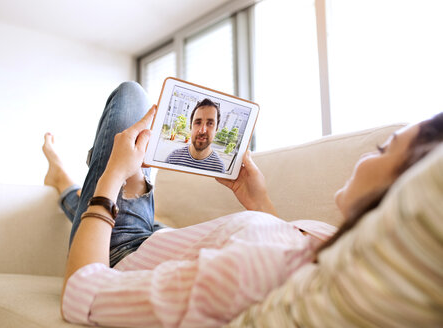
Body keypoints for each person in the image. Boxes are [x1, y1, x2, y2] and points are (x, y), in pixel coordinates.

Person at [44, 82, 443, 327]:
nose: (367, 157)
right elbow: (286, 253)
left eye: (383, 149)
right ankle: (67, 183)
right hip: (162, 239)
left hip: (122, 251)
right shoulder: (332, 250)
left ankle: (68, 179)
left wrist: (112, 176)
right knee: (139, 174)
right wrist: (257, 201)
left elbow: (83, 293)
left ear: (405, 191)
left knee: (132, 96)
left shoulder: (254, 271)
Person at [165, 98, 225, 173]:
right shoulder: (172, 159)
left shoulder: (219, 168)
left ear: (216, 130)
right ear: (191, 127)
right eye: (198, 122)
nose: (202, 130)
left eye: (210, 123)